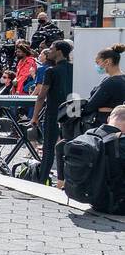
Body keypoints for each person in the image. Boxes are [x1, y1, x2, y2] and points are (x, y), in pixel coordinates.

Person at [33, 39, 73, 183]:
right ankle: (65, 180)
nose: (48, 51)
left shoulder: (51, 71)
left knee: (49, 148)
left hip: (53, 112)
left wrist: (34, 117)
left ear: (59, 52)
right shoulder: (73, 69)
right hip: (71, 113)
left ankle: (42, 179)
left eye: (51, 48)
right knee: (68, 146)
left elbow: (42, 96)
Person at [85, 43, 125, 128]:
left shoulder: (110, 82)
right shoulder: (121, 78)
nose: (97, 66)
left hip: (105, 123)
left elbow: (90, 106)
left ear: (107, 62)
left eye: (97, 62)